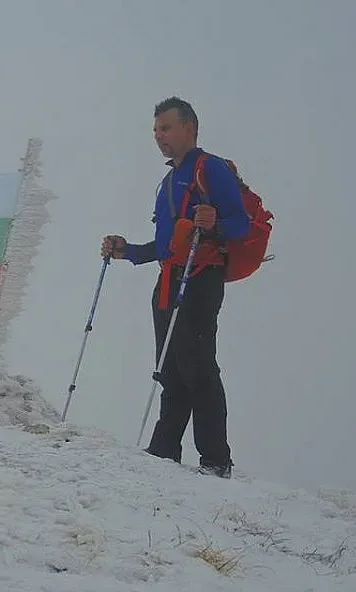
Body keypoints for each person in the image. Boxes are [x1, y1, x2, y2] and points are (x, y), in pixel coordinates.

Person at [102, 96, 250, 478]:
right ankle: (163, 451)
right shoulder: (169, 181)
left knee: (198, 366)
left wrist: (215, 223)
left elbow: (240, 223)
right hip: (169, 278)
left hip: (201, 277)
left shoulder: (210, 168)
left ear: (190, 128)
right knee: (170, 368)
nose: (159, 136)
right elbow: (165, 245)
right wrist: (128, 251)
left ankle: (216, 460)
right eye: (155, 130)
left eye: (166, 128)